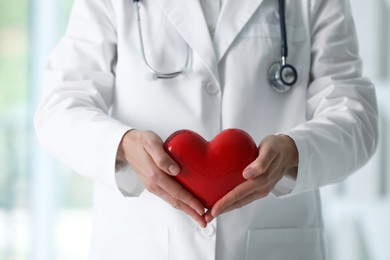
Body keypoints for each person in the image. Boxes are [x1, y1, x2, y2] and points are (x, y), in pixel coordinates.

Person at [34, 0, 378, 259]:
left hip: (273, 242)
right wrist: (123, 146)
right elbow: (60, 107)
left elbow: (356, 117)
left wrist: (294, 151)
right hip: (143, 242)